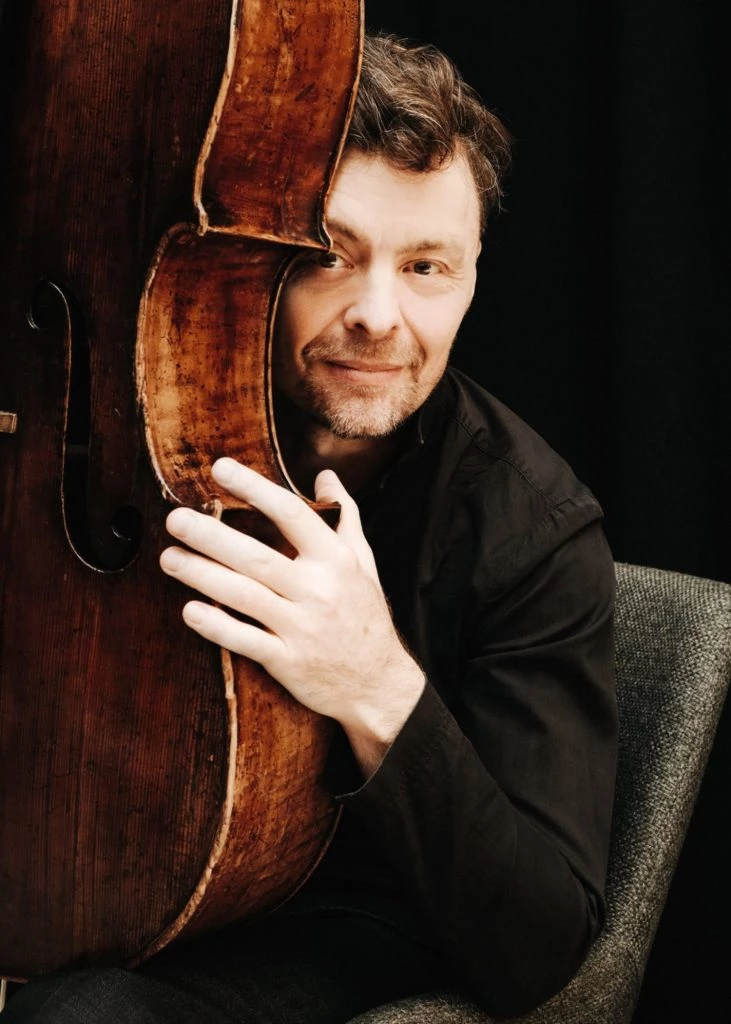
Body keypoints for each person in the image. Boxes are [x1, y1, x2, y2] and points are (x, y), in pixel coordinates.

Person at [4, 30, 617, 1024]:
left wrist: (371, 678)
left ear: (472, 275)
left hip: (323, 923)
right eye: (330, 255)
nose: (377, 313)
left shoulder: (530, 527)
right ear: (254, 254)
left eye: (427, 267)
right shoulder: (115, 422)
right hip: (74, 855)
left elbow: (542, 945)